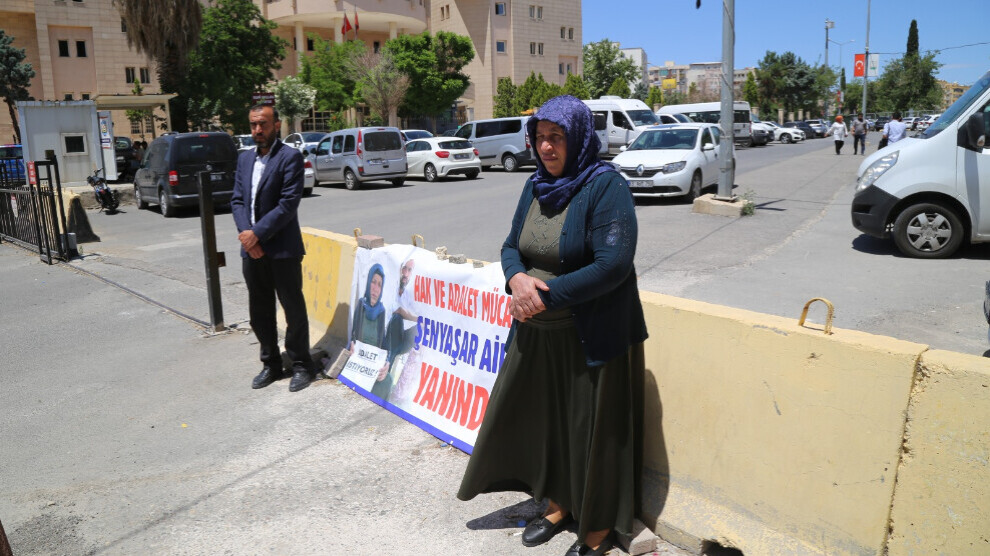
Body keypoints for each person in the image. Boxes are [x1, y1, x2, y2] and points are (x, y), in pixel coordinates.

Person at [457, 95, 648, 556]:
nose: (546, 147)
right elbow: (510, 246)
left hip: (592, 336)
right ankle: (560, 506)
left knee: (593, 432)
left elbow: (613, 264)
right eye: (540, 137)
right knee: (552, 426)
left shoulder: (606, 187)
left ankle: (597, 528)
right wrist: (516, 279)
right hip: (538, 334)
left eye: (556, 137)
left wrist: (541, 296)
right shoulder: (536, 185)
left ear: (578, 138)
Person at [231, 104, 314, 392]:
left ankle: (302, 364)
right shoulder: (244, 159)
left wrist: (256, 235)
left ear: (276, 125)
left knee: (293, 308)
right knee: (259, 311)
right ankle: (271, 364)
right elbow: (237, 200)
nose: (258, 130)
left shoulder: (289, 157)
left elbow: (288, 203)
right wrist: (247, 236)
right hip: (252, 249)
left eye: (263, 124)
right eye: (253, 124)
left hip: (282, 249)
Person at [374, 258, 418, 400]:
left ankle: (388, 384)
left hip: (404, 339)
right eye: (404, 268)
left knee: (398, 321)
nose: (405, 273)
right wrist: (402, 313)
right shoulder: (391, 285)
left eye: (409, 270)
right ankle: (382, 379)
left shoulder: (413, 292)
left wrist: (403, 313)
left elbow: (419, 318)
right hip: (388, 334)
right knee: (394, 321)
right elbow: (391, 309)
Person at [348, 264, 393, 395]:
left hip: (371, 366)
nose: (375, 288)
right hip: (357, 363)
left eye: (379, 284)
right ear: (368, 283)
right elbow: (352, 335)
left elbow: (385, 346)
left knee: (388, 380)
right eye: (373, 282)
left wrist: (387, 363)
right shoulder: (361, 304)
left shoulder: (382, 311)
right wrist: (351, 345)